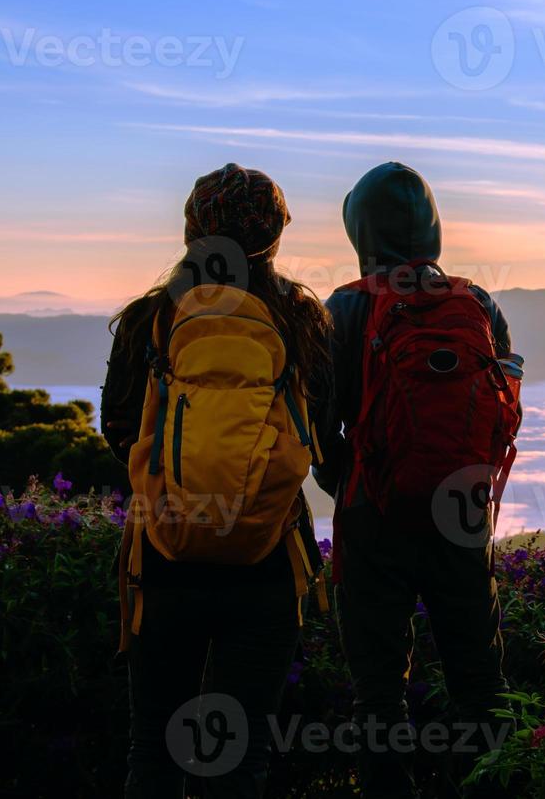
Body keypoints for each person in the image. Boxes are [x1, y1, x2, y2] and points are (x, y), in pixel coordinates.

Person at [101, 163, 331, 798]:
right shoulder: (300, 317)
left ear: (189, 231)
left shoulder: (152, 318)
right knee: (241, 755)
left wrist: (172, 474)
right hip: (267, 558)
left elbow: (118, 430)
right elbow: (317, 434)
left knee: (153, 747)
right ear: (274, 237)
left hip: (163, 559)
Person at [317, 162, 520, 798]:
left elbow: (319, 422)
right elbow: (500, 405)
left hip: (373, 512)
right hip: (460, 512)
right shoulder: (477, 303)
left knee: (379, 693)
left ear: (360, 230)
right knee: (480, 684)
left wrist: (343, 478)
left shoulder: (346, 307)